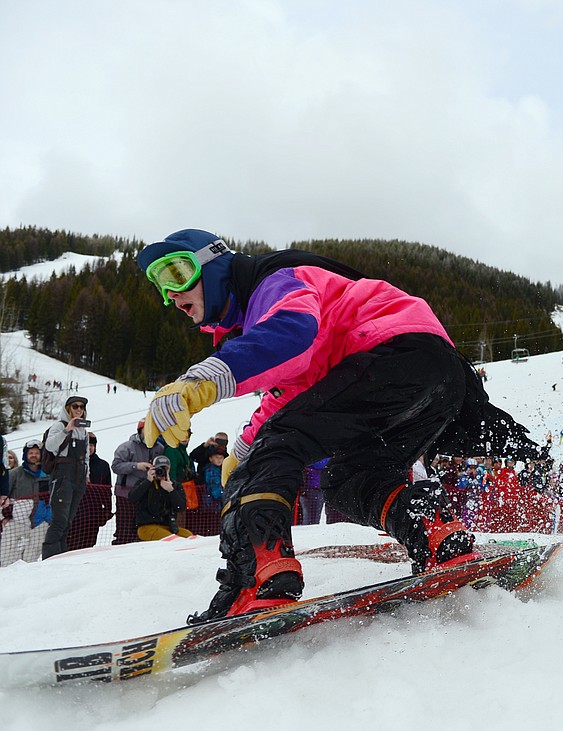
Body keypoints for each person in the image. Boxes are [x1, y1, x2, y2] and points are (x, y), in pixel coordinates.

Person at [137, 229, 540, 623]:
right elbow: (290, 391)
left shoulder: (273, 280)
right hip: (436, 373)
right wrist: (245, 446)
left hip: (389, 356)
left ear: (215, 264)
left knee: (279, 445)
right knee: (347, 481)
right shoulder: (264, 310)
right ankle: (435, 532)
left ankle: (256, 578)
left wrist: (203, 381)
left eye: (177, 274)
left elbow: (292, 332)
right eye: (159, 285)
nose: (171, 295)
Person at [41, 395, 90, 559]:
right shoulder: (59, 425)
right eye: (75, 406)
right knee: (59, 521)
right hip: (62, 478)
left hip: (79, 478)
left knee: (68, 521)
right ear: (68, 408)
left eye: (82, 407)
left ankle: (60, 556)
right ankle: (50, 556)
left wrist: (86, 474)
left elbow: (86, 456)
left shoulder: (84, 432)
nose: (79, 410)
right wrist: (66, 430)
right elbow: (50, 445)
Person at [1, 442, 51, 566]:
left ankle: (28, 580)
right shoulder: (15, 474)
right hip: (16, 521)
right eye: (31, 453)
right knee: (8, 556)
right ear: (25, 455)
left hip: (40, 523)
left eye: (37, 453)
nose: (34, 456)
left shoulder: (47, 474)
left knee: (31, 557)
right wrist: (3, 518)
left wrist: (49, 517)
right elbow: (3, 497)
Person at [130, 455, 192, 540]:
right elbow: (132, 498)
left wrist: (171, 491)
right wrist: (148, 481)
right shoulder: (144, 483)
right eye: (158, 468)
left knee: (190, 537)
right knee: (174, 540)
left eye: (164, 468)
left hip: (169, 526)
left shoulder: (174, 485)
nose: (161, 471)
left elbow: (181, 507)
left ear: (169, 469)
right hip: (147, 527)